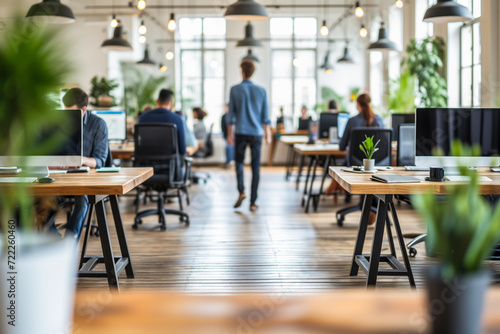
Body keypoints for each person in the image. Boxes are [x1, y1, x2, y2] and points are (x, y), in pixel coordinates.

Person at [63, 88, 109, 239]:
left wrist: (81, 160)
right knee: (41, 197)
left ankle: (69, 241)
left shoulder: (98, 125)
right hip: (61, 173)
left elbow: (100, 160)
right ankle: (54, 239)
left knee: (82, 198)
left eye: (71, 112)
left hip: (85, 176)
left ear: (83, 109)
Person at [227, 60, 271, 212]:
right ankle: (253, 202)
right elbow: (265, 116)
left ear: (242, 72)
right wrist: (268, 134)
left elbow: (230, 115)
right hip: (256, 134)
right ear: (253, 72)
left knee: (239, 164)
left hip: (240, 132)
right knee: (255, 167)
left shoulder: (234, 90)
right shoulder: (262, 91)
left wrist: (229, 134)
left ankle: (242, 191)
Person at [334, 93, 383, 224]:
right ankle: (373, 207)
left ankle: (367, 206)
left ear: (357, 105)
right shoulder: (379, 120)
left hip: (354, 165)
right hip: (377, 165)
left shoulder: (352, 121)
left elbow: (341, 147)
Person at [138, 89, 186, 156]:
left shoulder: (143, 117)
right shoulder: (178, 119)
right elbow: (182, 150)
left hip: (147, 164)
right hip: (170, 165)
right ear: (171, 102)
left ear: (157, 101)